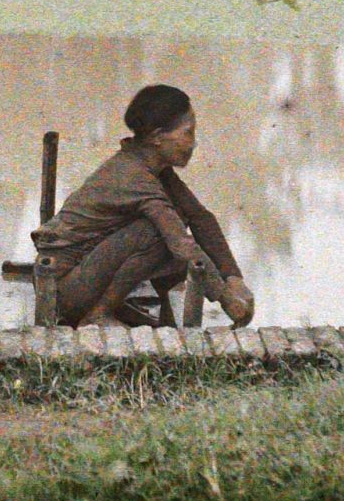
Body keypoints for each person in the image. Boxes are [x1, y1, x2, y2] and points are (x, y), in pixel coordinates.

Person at [31, 84, 255, 329]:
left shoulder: (152, 167)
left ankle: (162, 320)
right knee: (160, 234)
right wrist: (225, 299)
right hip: (59, 289)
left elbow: (200, 218)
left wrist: (233, 277)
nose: (193, 143)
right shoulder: (135, 176)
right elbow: (181, 245)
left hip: (80, 278)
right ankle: (97, 315)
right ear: (158, 137)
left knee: (176, 228)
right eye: (188, 133)